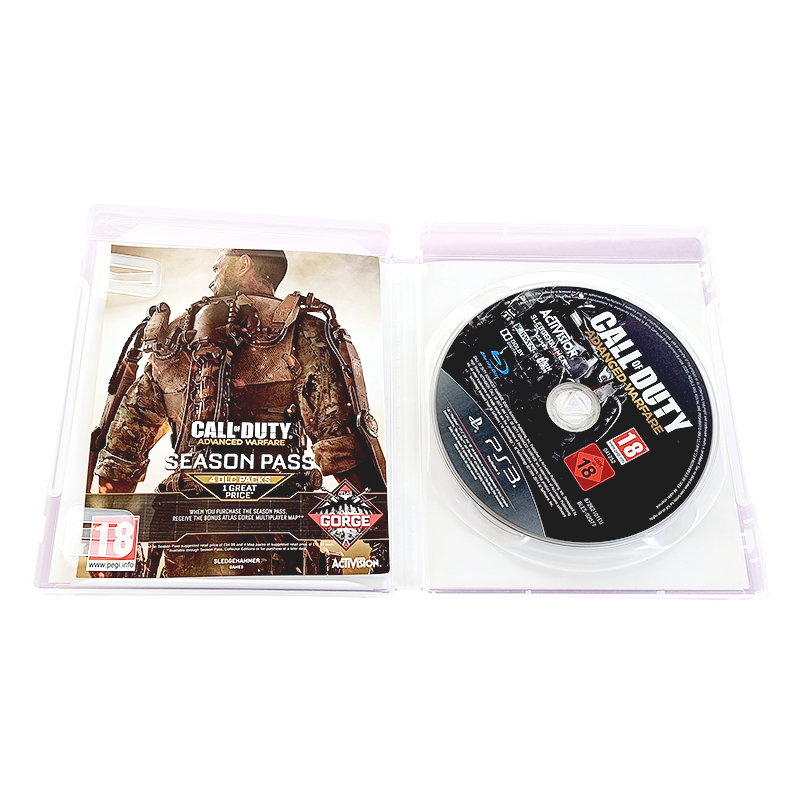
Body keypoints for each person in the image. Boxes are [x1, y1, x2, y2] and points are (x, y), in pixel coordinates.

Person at [92, 248, 386, 497]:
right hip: (276, 524)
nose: (212, 279)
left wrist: (110, 535)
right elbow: (342, 445)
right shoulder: (305, 331)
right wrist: (379, 534)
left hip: (187, 524)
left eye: (218, 267)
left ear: (244, 264)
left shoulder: (173, 337)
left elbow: (122, 449)